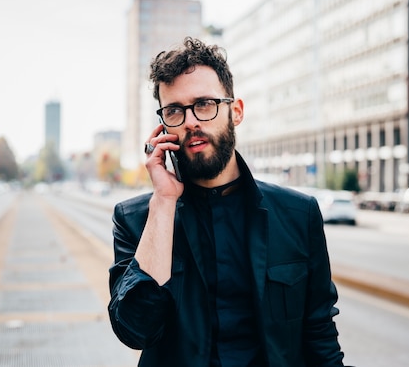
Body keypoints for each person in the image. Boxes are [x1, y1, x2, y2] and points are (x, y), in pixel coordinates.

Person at [108, 37, 347, 366]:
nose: (191, 120)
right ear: (162, 127)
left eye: (204, 103)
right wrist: (163, 202)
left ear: (235, 112)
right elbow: (136, 330)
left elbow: (320, 337)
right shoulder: (136, 220)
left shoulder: (297, 215)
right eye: (175, 110)